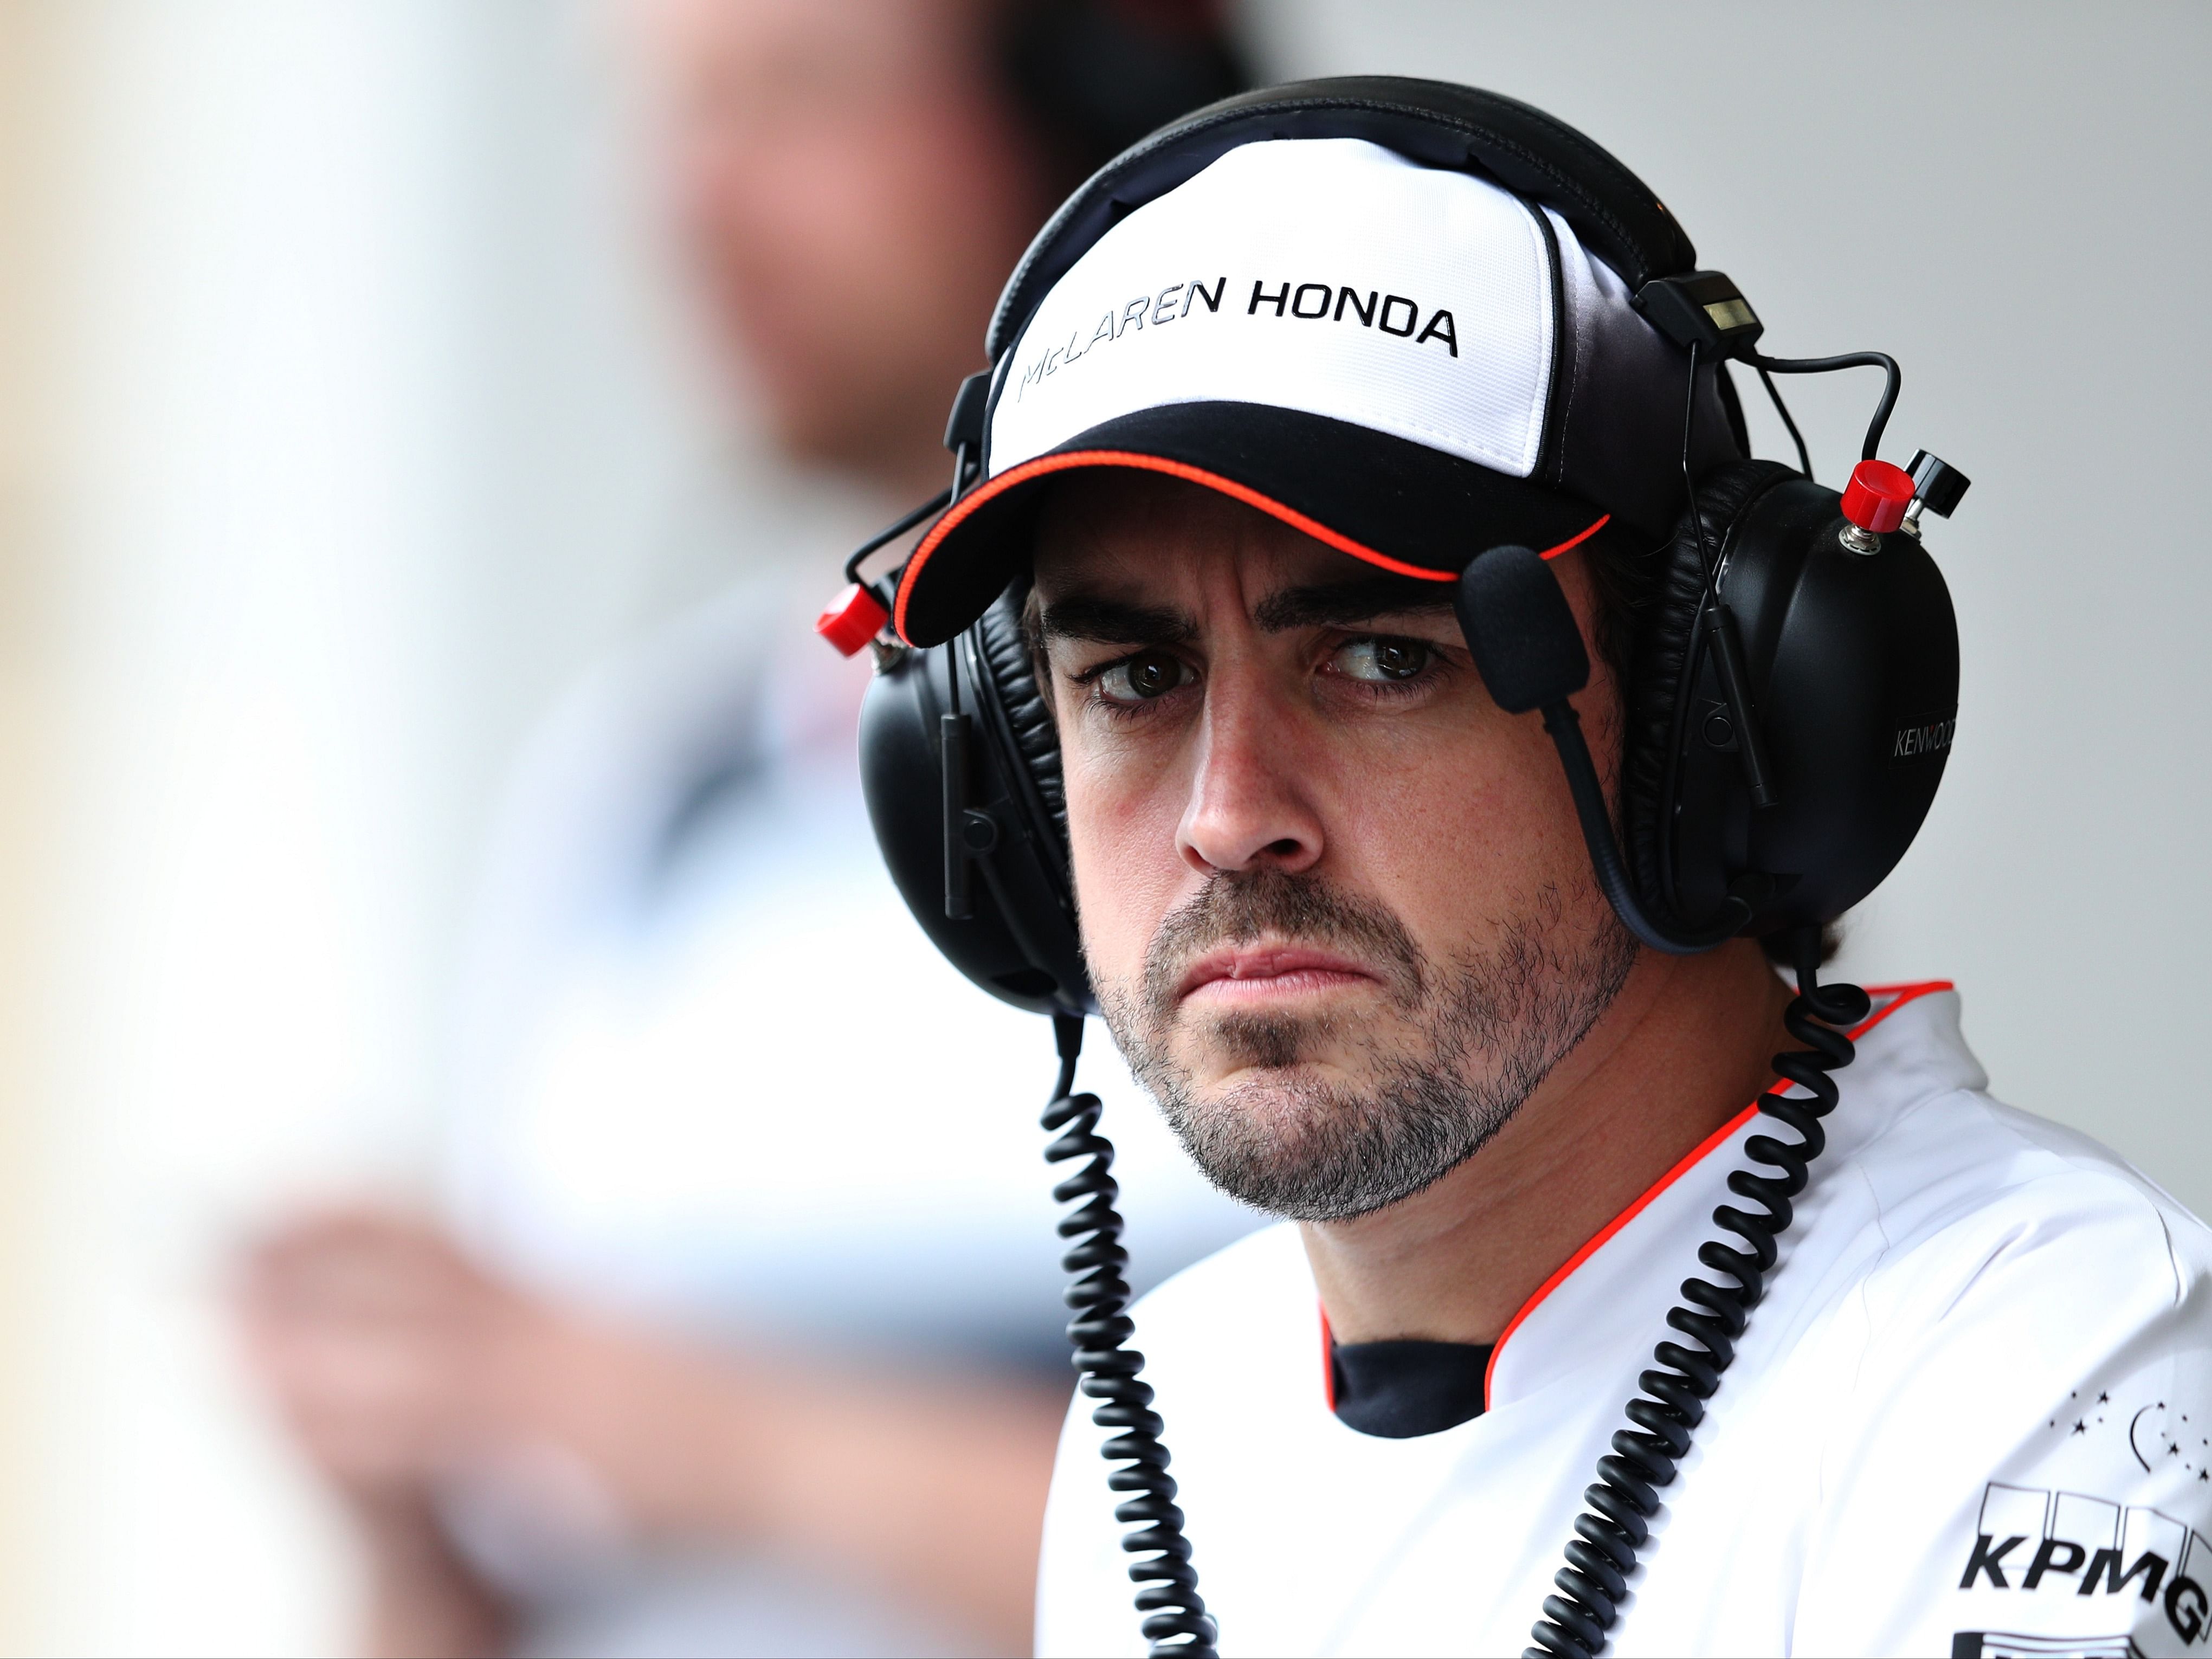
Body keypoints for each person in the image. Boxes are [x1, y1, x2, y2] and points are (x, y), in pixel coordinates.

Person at [860, 77, 2212, 1658]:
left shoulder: (2046, 1362)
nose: (1228, 818)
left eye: (1378, 656)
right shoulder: (1164, 1418)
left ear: (1712, 713)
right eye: (1134, 682)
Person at [237, 5, 1256, 1657]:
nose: (688, 202)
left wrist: (702, 1439)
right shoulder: (644, 785)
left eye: (794, 99)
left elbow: (1415, 1557)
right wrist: (418, 1494)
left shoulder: (1309, 791)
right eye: (662, 119)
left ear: (1095, 116)